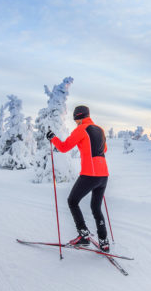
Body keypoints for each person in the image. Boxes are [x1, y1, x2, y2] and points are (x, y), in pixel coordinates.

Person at [46, 105, 111, 252]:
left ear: (78, 118)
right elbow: (104, 149)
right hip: (104, 175)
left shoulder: (81, 129)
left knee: (72, 201)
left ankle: (83, 235)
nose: (76, 123)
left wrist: (53, 138)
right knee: (96, 207)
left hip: (90, 174)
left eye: (76, 120)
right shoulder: (99, 129)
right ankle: (104, 241)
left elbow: (63, 147)